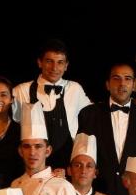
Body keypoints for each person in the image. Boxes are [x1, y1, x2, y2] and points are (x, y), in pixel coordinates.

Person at [77, 63, 136, 195]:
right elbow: (81, 156)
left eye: (127, 79)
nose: (122, 83)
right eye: (116, 78)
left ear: (134, 85)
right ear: (107, 84)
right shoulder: (89, 115)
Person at [11, 39, 91, 169]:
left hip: (67, 167)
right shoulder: (21, 91)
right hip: (33, 168)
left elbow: (95, 113)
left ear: (66, 65)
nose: (54, 68)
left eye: (60, 62)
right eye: (49, 61)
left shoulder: (75, 89)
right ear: (39, 62)